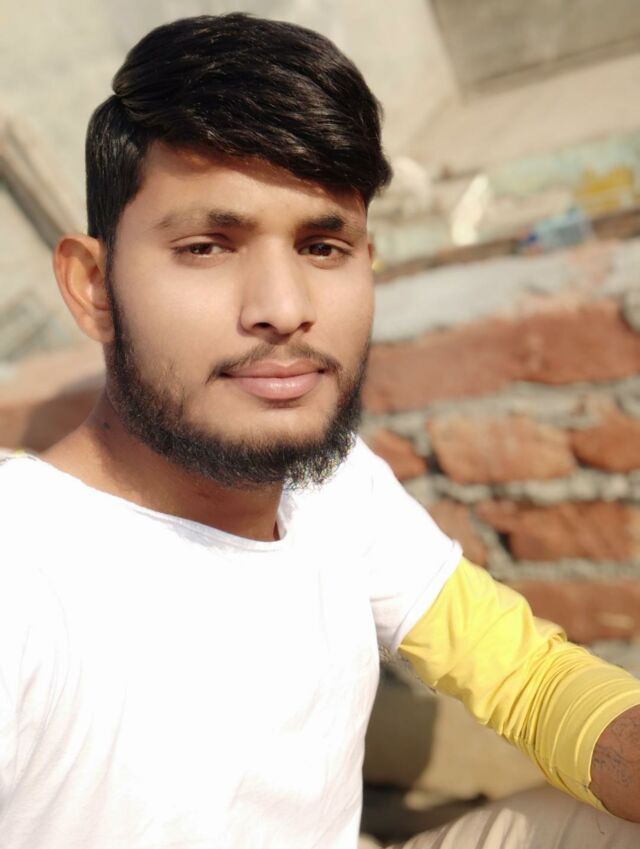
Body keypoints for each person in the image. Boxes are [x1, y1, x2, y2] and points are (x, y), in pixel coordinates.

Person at [1, 13, 640, 849]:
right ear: (93, 287)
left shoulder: (330, 483)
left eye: (323, 245)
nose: (284, 308)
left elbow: (524, 674)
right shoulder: (26, 577)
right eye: (207, 246)